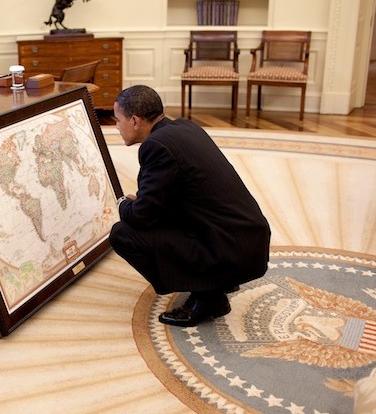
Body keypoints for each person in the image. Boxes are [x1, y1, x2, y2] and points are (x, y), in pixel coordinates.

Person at [109, 85, 271, 327]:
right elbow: (173, 198)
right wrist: (141, 203)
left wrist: (123, 204)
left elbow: (142, 217)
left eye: (118, 119)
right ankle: (217, 285)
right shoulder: (185, 127)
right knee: (155, 219)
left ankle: (208, 297)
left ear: (134, 121)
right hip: (248, 241)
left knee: (123, 234)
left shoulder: (156, 146)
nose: (116, 126)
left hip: (231, 252)